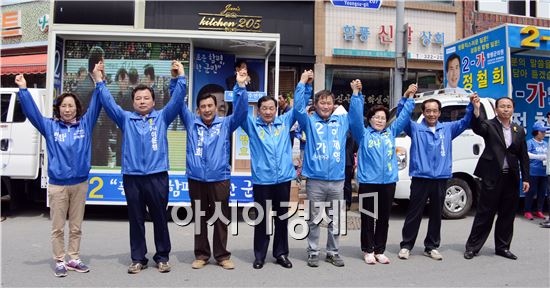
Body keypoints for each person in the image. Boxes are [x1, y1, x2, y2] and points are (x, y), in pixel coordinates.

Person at [96, 60, 185, 273]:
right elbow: (109, 104)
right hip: (132, 177)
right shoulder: (126, 119)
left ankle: (162, 257)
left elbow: (178, 100)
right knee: (136, 219)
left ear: (153, 102)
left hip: (157, 176)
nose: (142, 101)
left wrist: (180, 77)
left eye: (146, 98)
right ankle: (138, 258)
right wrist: (99, 81)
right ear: (133, 102)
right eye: (138, 98)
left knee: (160, 218)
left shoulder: (163, 117)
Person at [15, 73, 102, 277]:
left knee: (76, 226)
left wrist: (99, 82)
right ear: (58, 108)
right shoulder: (50, 126)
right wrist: (23, 90)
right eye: (63, 106)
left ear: (77, 108)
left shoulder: (85, 124)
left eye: (71, 105)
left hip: (80, 184)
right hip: (58, 185)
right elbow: (32, 114)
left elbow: (97, 105)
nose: (68, 109)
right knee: (57, 227)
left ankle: (74, 258)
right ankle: (60, 260)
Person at [178, 67, 249, 270]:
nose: (207, 109)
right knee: (199, 218)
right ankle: (201, 255)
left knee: (220, 219)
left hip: (220, 179)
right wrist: (179, 79)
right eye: (203, 106)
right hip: (196, 179)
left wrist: (241, 87)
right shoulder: (191, 122)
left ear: (217, 107)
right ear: (198, 109)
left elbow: (242, 112)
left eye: (210, 105)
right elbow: (177, 104)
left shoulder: (226, 124)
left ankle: (221, 255)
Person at [241, 71, 311, 270]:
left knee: (281, 217)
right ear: (259, 110)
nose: (269, 112)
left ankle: (280, 253)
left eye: (272, 108)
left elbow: (298, 108)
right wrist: (240, 87)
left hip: (282, 180)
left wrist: (303, 85)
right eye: (264, 108)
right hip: (262, 181)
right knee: (262, 219)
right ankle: (260, 256)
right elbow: (238, 111)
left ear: (276, 109)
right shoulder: (252, 125)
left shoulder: (284, 122)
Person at [397, 93, 475, 261]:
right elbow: (400, 118)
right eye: (428, 111)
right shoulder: (415, 128)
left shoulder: (447, 129)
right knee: (414, 213)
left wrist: (471, 105)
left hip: (440, 178)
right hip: (420, 177)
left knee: (436, 214)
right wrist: (405, 99)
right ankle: (406, 245)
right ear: (423, 113)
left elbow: (465, 122)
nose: (431, 114)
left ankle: (431, 246)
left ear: (439, 113)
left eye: (435, 111)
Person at [350, 81, 416, 265]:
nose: (380, 120)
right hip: (368, 182)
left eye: (383, 117)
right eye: (376, 117)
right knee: (367, 217)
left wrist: (409, 97)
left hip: (388, 182)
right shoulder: (363, 134)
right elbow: (355, 118)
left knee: (383, 219)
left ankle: (380, 250)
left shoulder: (391, 132)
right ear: (370, 119)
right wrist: (356, 95)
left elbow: (403, 117)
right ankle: (368, 250)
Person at [464, 97, 530, 260]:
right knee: (485, 213)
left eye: (509, 106)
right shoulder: (489, 125)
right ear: (496, 109)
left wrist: (526, 178)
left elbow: (523, 156)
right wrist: (476, 109)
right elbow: (477, 127)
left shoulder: (519, 130)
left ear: (513, 109)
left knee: (507, 215)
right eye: (502, 106)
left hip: (512, 178)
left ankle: (503, 247)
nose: (506, 109)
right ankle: (472, 247)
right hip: (491, 177)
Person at [295, 70, 349, 268]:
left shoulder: (341, 121)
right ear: (315, 105)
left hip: (337, 179)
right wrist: (303, 85)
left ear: (333, 105)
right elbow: (299, 109)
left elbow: (358, 117)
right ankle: (313, 251)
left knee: (336, 219)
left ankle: (333, 252)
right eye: (322, 103)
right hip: (315, 180)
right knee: (315, 219)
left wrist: (358, 96)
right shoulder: (309, 123)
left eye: (329, 103)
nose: (326, 106)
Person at [524, 122, 548, 220]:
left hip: (544, 172)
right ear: (537, 132)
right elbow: (527, 154)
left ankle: (539, 210)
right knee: (531, 192)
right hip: (533, 171)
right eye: (542, 131)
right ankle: (527, 211)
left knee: (542, 192)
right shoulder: (530, 142)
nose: (544, 133)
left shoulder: (546, 143)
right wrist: (540, 157)